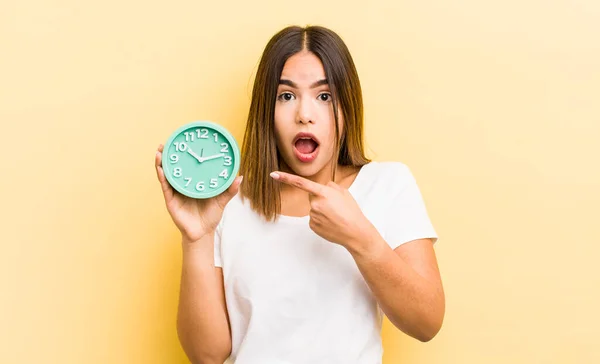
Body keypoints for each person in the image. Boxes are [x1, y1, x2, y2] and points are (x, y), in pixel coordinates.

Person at [154, 25, 445, 364]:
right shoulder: (227, 202)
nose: (304, 114)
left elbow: (427, 322)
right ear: (267, 111)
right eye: (286, 96)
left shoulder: (387, 184)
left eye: (324, 96)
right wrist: (196, 239)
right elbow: (207, 355)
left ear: (346, 108)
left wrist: (361, 238)